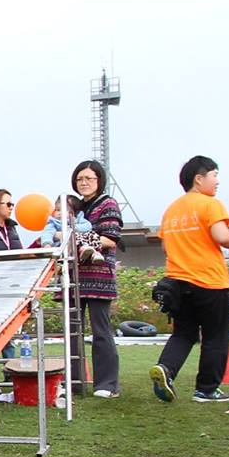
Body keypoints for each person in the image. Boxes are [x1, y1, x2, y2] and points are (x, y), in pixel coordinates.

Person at [150, 156, 229, 404]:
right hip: (210, 281)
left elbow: (165, 248)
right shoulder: (210, 204)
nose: (217, 181)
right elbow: (221, 236)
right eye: (214, 174)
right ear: (199, 178)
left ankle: (166, 369)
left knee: (184, 334)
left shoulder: (171, 210)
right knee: (215, 336)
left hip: (178, 283)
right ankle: (206, 389)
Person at [65, 160, 126, 398]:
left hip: (99, 276)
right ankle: (75, 382)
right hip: (73, 277)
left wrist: (75, 238)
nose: (84, 183)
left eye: (89, 178)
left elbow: (110, 239)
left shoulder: (108, 204)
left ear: (99, 180)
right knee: (71, 331)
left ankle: (107, 384)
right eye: (80, 179)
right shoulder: (74, 206)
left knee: (101, 331)